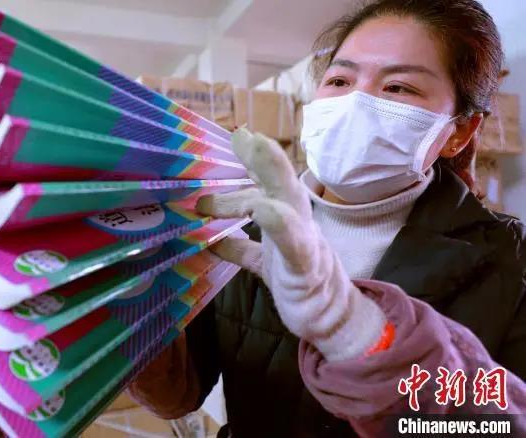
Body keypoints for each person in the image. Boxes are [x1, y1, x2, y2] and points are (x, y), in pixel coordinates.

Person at [128, 0, 526, 436]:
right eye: (339, 80)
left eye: (398, 88)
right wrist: (129, 295)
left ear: (459, 131)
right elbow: (178, 393)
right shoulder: (246, 227)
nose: (355, 102)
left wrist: (363, 337)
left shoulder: (510, 260)